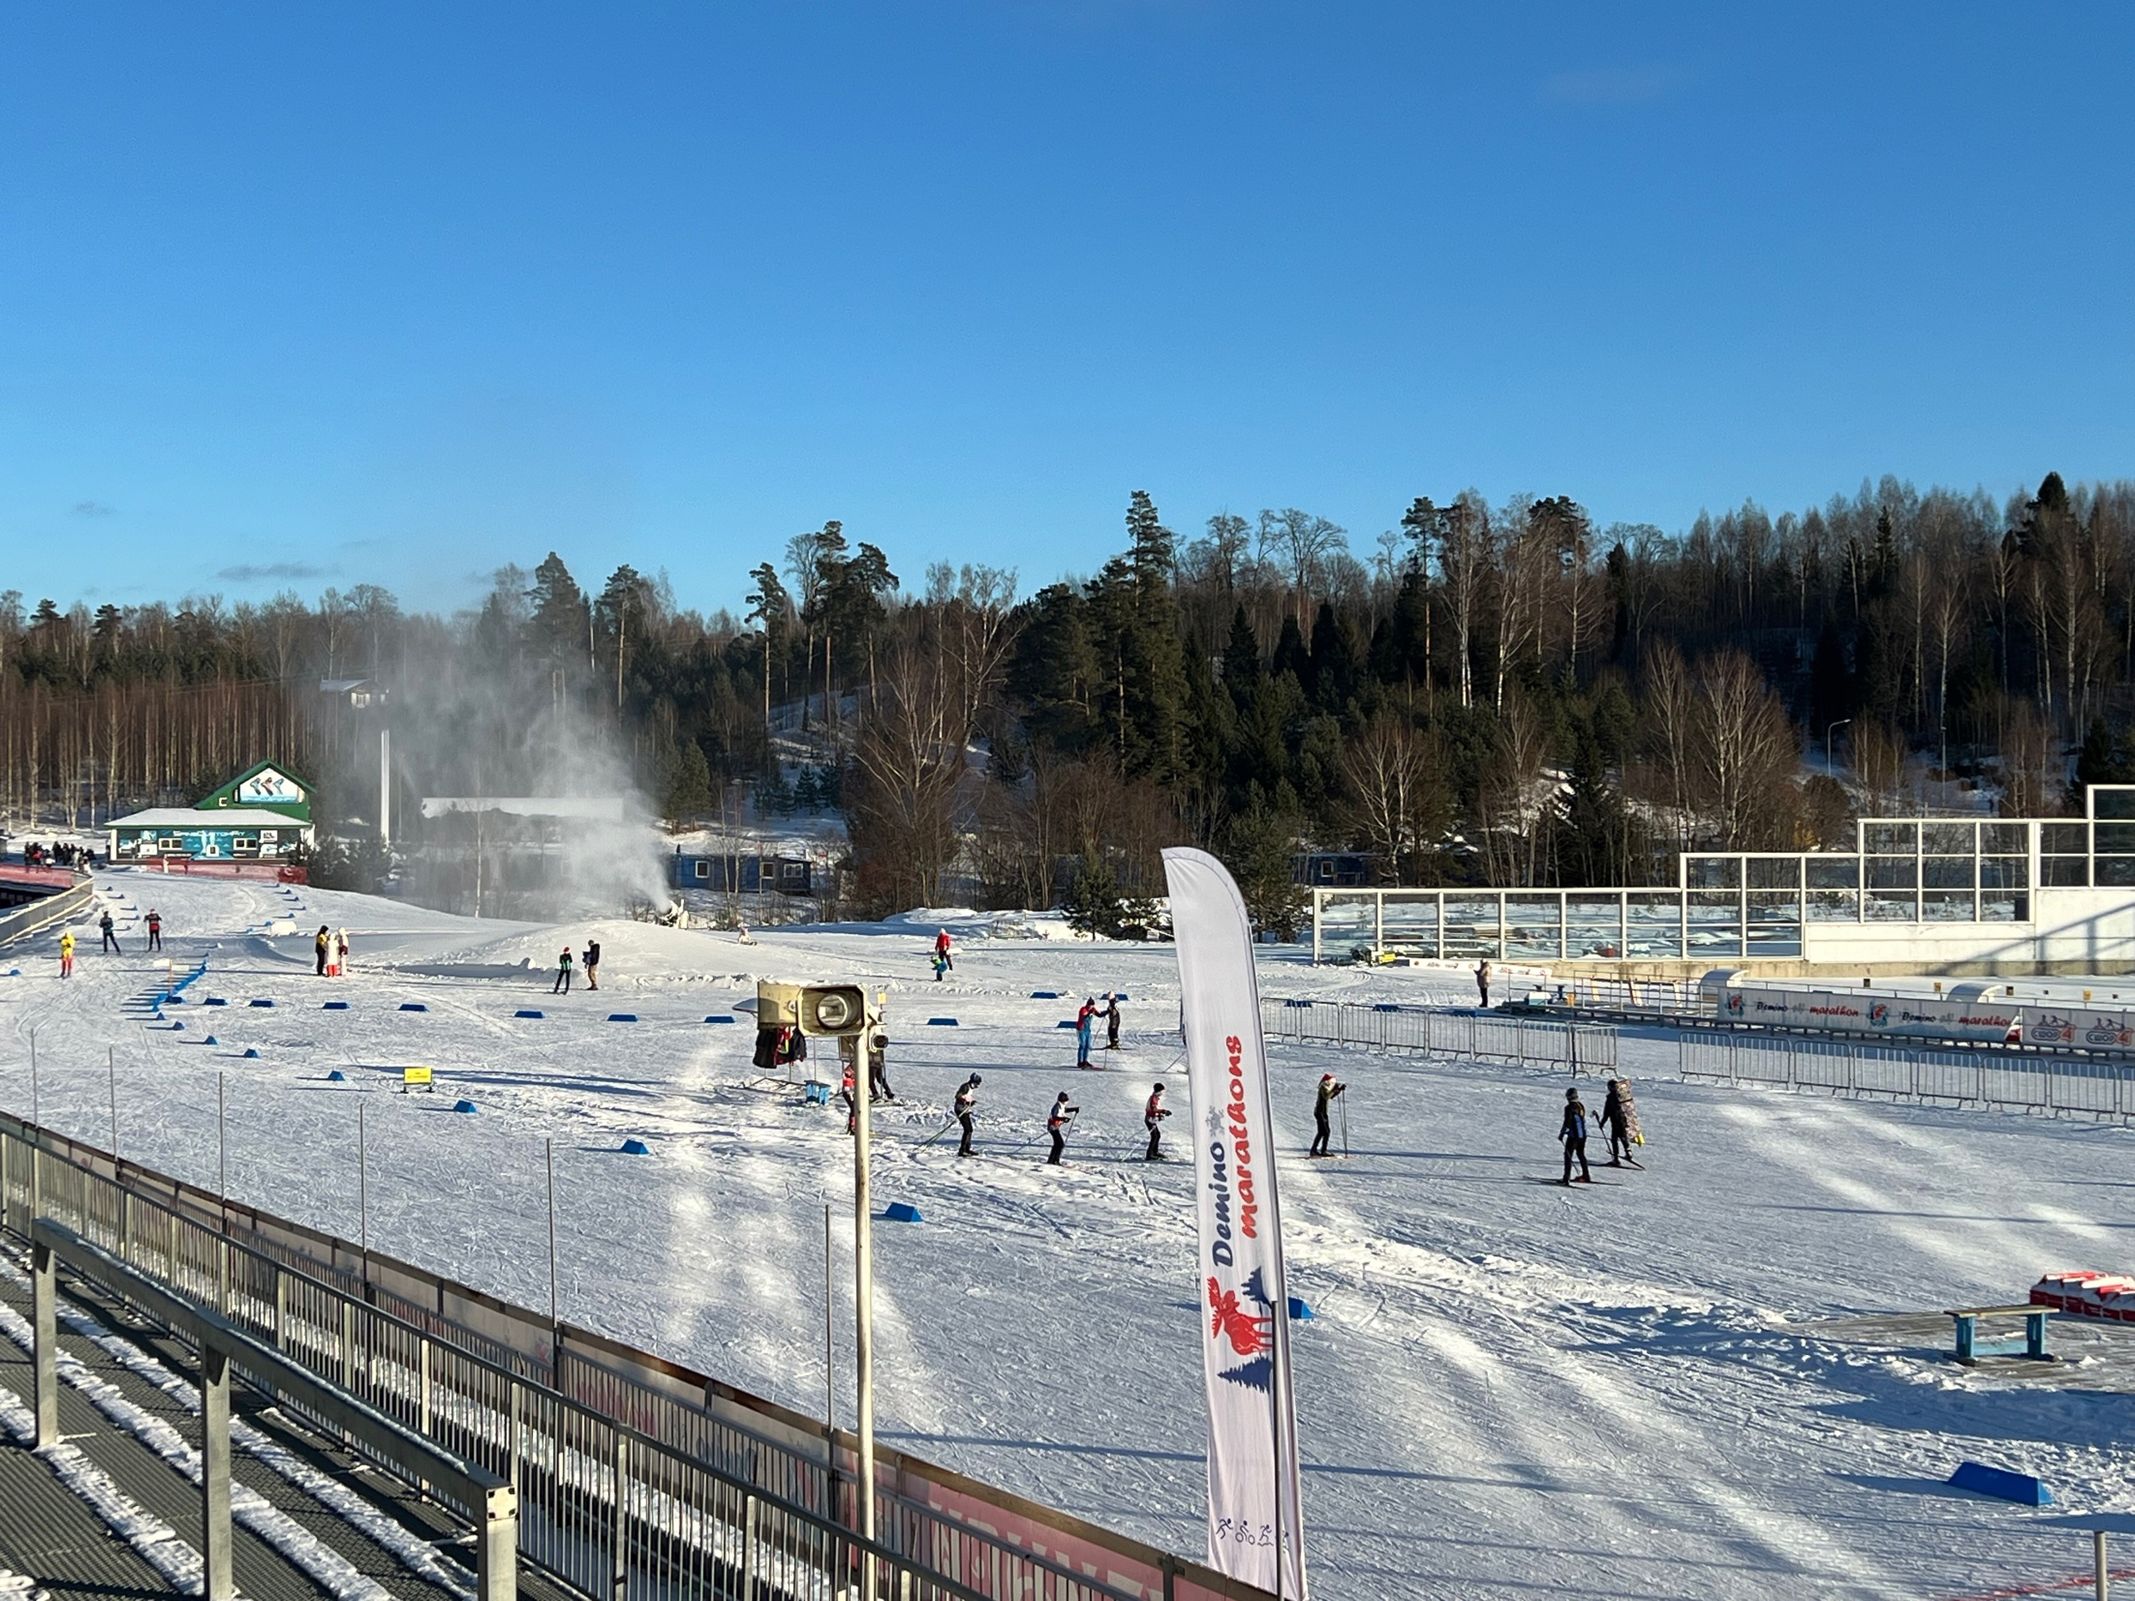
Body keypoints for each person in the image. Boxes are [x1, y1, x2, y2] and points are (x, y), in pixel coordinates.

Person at [1600, 1077, 1643, 1167]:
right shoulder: (1622, 1096)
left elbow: (1607, 1112)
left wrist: (1602, 1122)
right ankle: (1628, 1152)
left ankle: (1616, 1159)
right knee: (1623, 1136)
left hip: (1616, 1121)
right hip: (1624, 1120)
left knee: (1614, 1139)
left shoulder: (1610, 1097)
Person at [1559, 1087, 1593, 1186]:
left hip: (1573, 1136)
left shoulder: (1569, 1107)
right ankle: (1586, 1175)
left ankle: (1566, 1177)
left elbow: (1567, 1122)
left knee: (1568, 1155)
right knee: (1580, 1154)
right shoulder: (1580, 1106)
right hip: (1583, 1135)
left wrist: (1562, 1133)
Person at [1310, 1072, 1346, 1158]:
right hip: (1320, 1112)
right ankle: (1317, 1150)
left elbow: (1331, 1096)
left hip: (1323, 1112)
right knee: (1324, 1132)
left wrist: (1339, 1090)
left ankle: (1319, 1150)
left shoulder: (1326, 1087)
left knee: (1325, 1132)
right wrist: (1335, 1089)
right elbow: (1326, 1096)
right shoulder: (1323, 1087)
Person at [1046, 1092, 1078, 1165]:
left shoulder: (1060, 1106)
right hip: (1053, 1127)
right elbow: (1054, 1117)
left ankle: (1051, 1160)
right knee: (1060, 1144)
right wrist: (1063, 1119)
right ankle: (1055, 1160)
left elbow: (1064, 1110)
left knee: (1057, 1144)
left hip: (1054, 1127)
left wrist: (1074, 1109)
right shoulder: (1057, 1106)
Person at [953, 1073, 981, 1157]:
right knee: (967, 1130)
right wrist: (966, 1102)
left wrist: (971, 1101)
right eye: (976, 1084)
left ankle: (967, 1149)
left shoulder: (969, 1088)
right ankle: (962, 1150)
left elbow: (967, 1097)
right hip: (960, 1110)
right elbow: (958, 1096)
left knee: (970, 1130)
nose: (976, 1086)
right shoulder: (965, 1087)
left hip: (965, 1110)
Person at [1144, 1083, 1170, 1161]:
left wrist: (1159, 1115)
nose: (1162, 1093)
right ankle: (1149, 1154)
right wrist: (1163, 1111)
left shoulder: (1155, 1098)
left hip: (1152, 1119)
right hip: (1150, 1120)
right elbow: (1153, 1109)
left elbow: (1155, 1110)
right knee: (1154, 1136)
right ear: (1158, 1091)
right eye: (1161, 1091)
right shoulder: (1153, 1098)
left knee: (1157, 1135)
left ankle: (1155, 1152)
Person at [867, 1030, 894, 1102]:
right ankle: (888, 1092)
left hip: (871, 1063)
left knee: (870, 1080)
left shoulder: (868, 1040)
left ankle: (876, 1094)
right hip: (878, 1062)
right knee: (880, 1078)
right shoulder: (878, 1039)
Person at [838, 1058, 858, 1135]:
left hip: (854, 1092)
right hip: (848, 1092)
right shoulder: (848, 1071)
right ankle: (852, 1127)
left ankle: (852, 1126)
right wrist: (850, 1092)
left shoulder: (857, 1070)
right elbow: (846, 1081)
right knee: (853, 1108)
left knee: (854, 1109)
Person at [1075, 997, 1097, 1067]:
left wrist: (1107, 1012)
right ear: (1087, 1004)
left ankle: (1085, 1060)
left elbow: (1099, 1014)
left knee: (1087, 1045)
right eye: (1090, 1005)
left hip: (1088, 1030)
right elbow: (1083, 1016)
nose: (1091, 1007)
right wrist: (1089, 1013)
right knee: (1082, 1045)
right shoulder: (1083, 1009)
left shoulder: (1092, 1010)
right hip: (1081, 1029)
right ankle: (1080, 1062)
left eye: (1092, 1005)